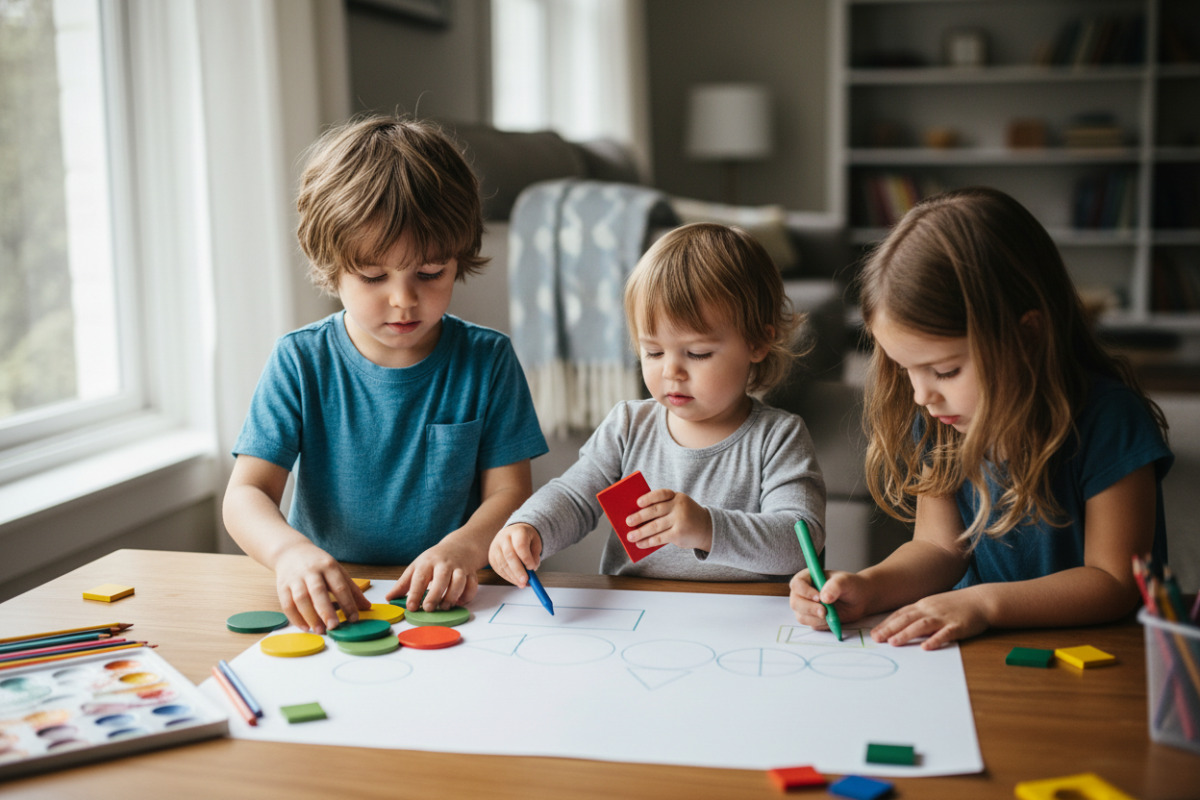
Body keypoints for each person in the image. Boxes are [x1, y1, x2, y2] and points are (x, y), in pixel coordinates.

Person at [790, 186, 1172, 650]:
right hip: (983, 656)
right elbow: (938, 548)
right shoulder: (943, 420)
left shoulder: (1110, 422)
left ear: (1026, 335)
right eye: (904, 368)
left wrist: (983, 604)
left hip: (1092, 656)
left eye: (945, 369)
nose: (921, 394)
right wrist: (869, 587)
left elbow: (1114, 580)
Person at [223, 115, 548, 634]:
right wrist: (289, 554)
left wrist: (463, 547)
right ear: (329, 265)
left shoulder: (488, 360)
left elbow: (510, 494)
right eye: (374, 276)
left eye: (430, 273)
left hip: (461, 601)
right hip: (336, 603)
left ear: (457, 259)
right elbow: (246, 495)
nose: (403, 299)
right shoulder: (299, 360)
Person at [489, 222, 826, 584]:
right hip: (640, 616)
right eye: (653, 352)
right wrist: (529, 526)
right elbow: (574, 497)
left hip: (747, 619)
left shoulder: (778, 437)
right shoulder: (628, 426)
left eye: (697, 353)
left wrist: (708, 528)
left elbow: (801, 541)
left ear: (758, 343)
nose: (671, 372)